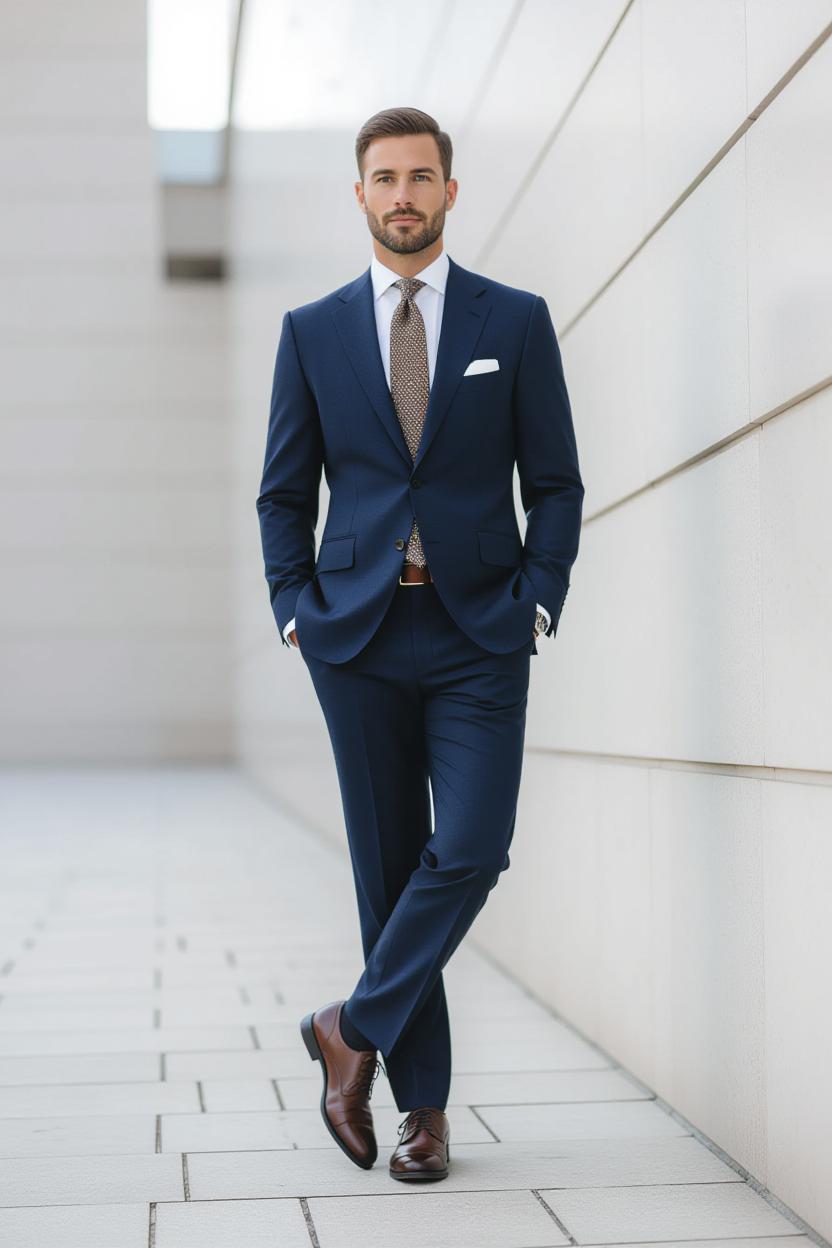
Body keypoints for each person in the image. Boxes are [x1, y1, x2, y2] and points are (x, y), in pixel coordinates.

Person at [256, 106, 584, 1182]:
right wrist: (295, 606)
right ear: (360, 195)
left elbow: (555, 484)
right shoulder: (311, 331)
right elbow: (281, 494)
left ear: (451, 190)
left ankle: (348, 1028)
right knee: (390, 872)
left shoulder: (514, 321)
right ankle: (423, 1115)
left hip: (478, 629)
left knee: (474, 847)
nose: (403, 193)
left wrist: (538, 595)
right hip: (353, 635)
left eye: (421, 176)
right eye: (384, 177)